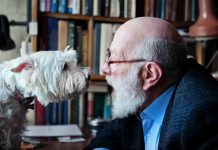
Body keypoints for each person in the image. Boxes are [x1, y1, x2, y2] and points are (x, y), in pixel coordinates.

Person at [86, 17, 218, 150]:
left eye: (112, 60)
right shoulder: (137, 95)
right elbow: (114, 131)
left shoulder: (202, 115)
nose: (104, 69)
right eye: (107, 55)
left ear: (149, 74)